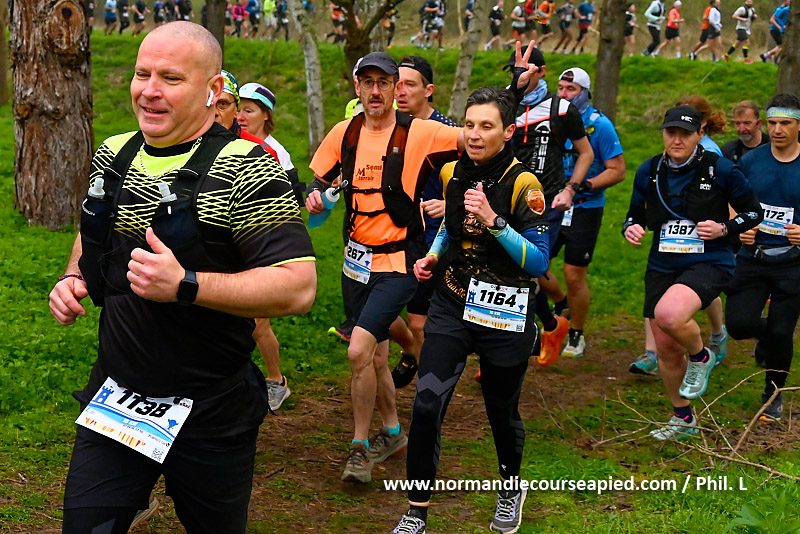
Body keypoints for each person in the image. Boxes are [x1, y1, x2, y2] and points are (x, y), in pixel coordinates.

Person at [49, 22, 316, 533]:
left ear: (213, 90)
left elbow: (298, 285)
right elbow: (94, 228)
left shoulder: (248, 167)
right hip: (118, 398)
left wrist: (186, 284)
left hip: (211, 410)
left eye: (170, 78)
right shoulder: (114, 153)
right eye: (142, 74)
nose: (149, 90)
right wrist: (73, 277)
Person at [391, 85, 550, 534]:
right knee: (426, 405)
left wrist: (495, 222)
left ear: (507, 132)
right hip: (453, 301)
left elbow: (539, 262)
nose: (475, 135)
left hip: (506, 310)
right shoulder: (452, 172)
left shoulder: (524, 184)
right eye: (469, 125)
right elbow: (449, 226)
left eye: (486, 126)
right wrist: (433, 255)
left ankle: (510, 487)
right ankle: (416, 511)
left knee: (501, 410)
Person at [306, 52, 467, 484]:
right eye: (368, 83)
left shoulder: (420, 132)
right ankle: (394, 432)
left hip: (398, 262)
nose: (375, 91)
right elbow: (317, 183)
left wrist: (512, 98)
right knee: (376, 357)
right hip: (355, 263)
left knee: (358, 351)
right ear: (357, 87)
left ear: (397, 88)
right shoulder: (344, 133)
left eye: (384, 83)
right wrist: (316, 198)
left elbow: (475, 140)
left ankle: (359, 448)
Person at [622, 105, 762, 441]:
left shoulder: (721, 169)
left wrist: (725, 228)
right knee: (666, 346)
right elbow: (633, 213)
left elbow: (753, 213)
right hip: (662, 263)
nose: (676, 140)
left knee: (669, 315)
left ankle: (701, 355)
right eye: (670, 133)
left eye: (685, 134)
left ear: (700, 134)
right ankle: (683, 418)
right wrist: (631, 227)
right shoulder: (649, 170)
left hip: (709, 261)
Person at [508, 46, 594, 366]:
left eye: (527, 70)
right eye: (515, 70)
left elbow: (586, 153)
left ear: (542, 71)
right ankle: (551, 322)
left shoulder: (562, 108)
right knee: (508, 273)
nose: (519, 75)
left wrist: (570, 190)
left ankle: (512, 353)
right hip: (508, 200)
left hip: (546, 202)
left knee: (525, 275)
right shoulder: (504, 104)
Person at [538, 68, 625, 359]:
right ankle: (561, 301)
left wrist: (583, 186)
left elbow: (617, 170)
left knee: (574, 274)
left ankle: (576, 332)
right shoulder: (550, 118)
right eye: (561, 88)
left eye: (571, 89)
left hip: (585, 206)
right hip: (550, 203)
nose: (563, 95)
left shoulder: (600, 125)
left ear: (585, 93)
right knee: (535, 265)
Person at [726, 94, 800, 422]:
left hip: (793, 262)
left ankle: (773, 394)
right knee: (738, 325)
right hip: (752, 258)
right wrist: (739, 225)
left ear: (798, 126)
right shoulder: (752, 161)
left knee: (783, 332)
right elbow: (731, 199)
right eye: (772, 123)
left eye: (785, 123)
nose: (778, 130)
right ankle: (767, 337)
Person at [388, 56, 459, 389]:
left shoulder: (446, 133)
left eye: (410, 85)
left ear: (428, 90)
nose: (400, 92)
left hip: (433, 240)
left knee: (420, 321)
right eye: (397, 84)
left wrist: (450, 204)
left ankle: (429, 386)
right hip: (393, 234)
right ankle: (412, 355)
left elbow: (476, 180)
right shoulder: (392, 127)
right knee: (383, 310)